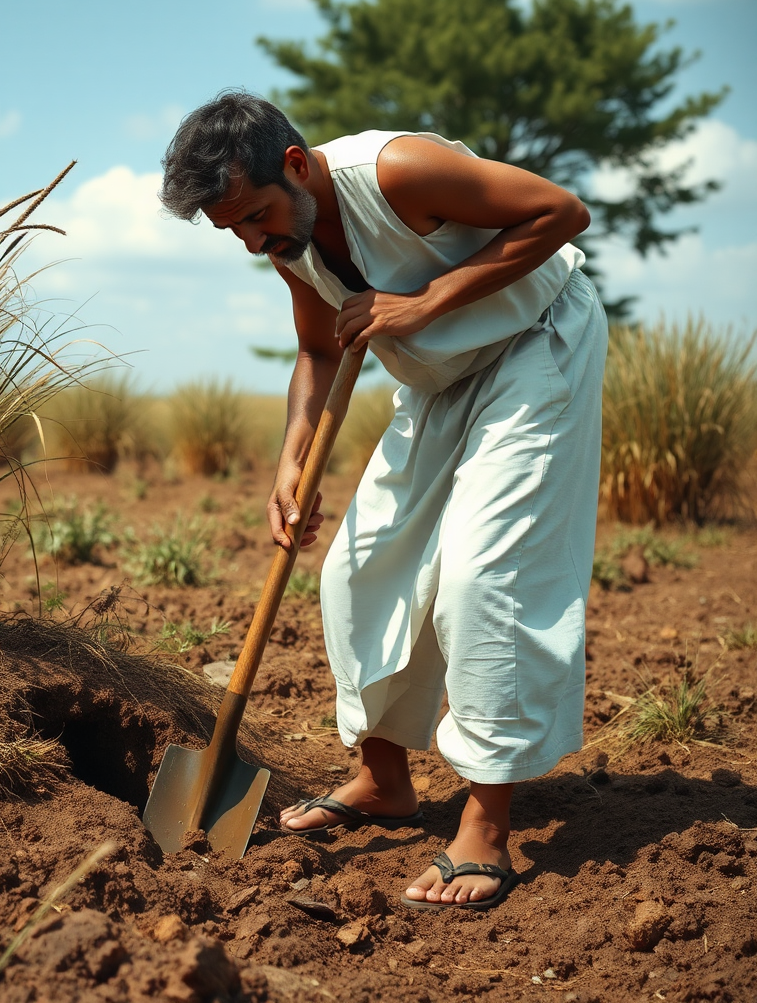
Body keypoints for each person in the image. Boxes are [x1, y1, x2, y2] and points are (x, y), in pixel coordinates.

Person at [159, 91, 607, 911]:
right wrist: (291, 463)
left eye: (256, 216)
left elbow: (561, 212)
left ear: (295, 165)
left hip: (536, 345)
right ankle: (383, 777)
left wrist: (426, 302)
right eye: (236, 233)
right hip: (439, 381)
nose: (255, 242)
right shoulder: (287, 238)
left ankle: (487, 823)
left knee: (482, 577)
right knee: (356, 571)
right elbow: (314, 346)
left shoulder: (397, 170)